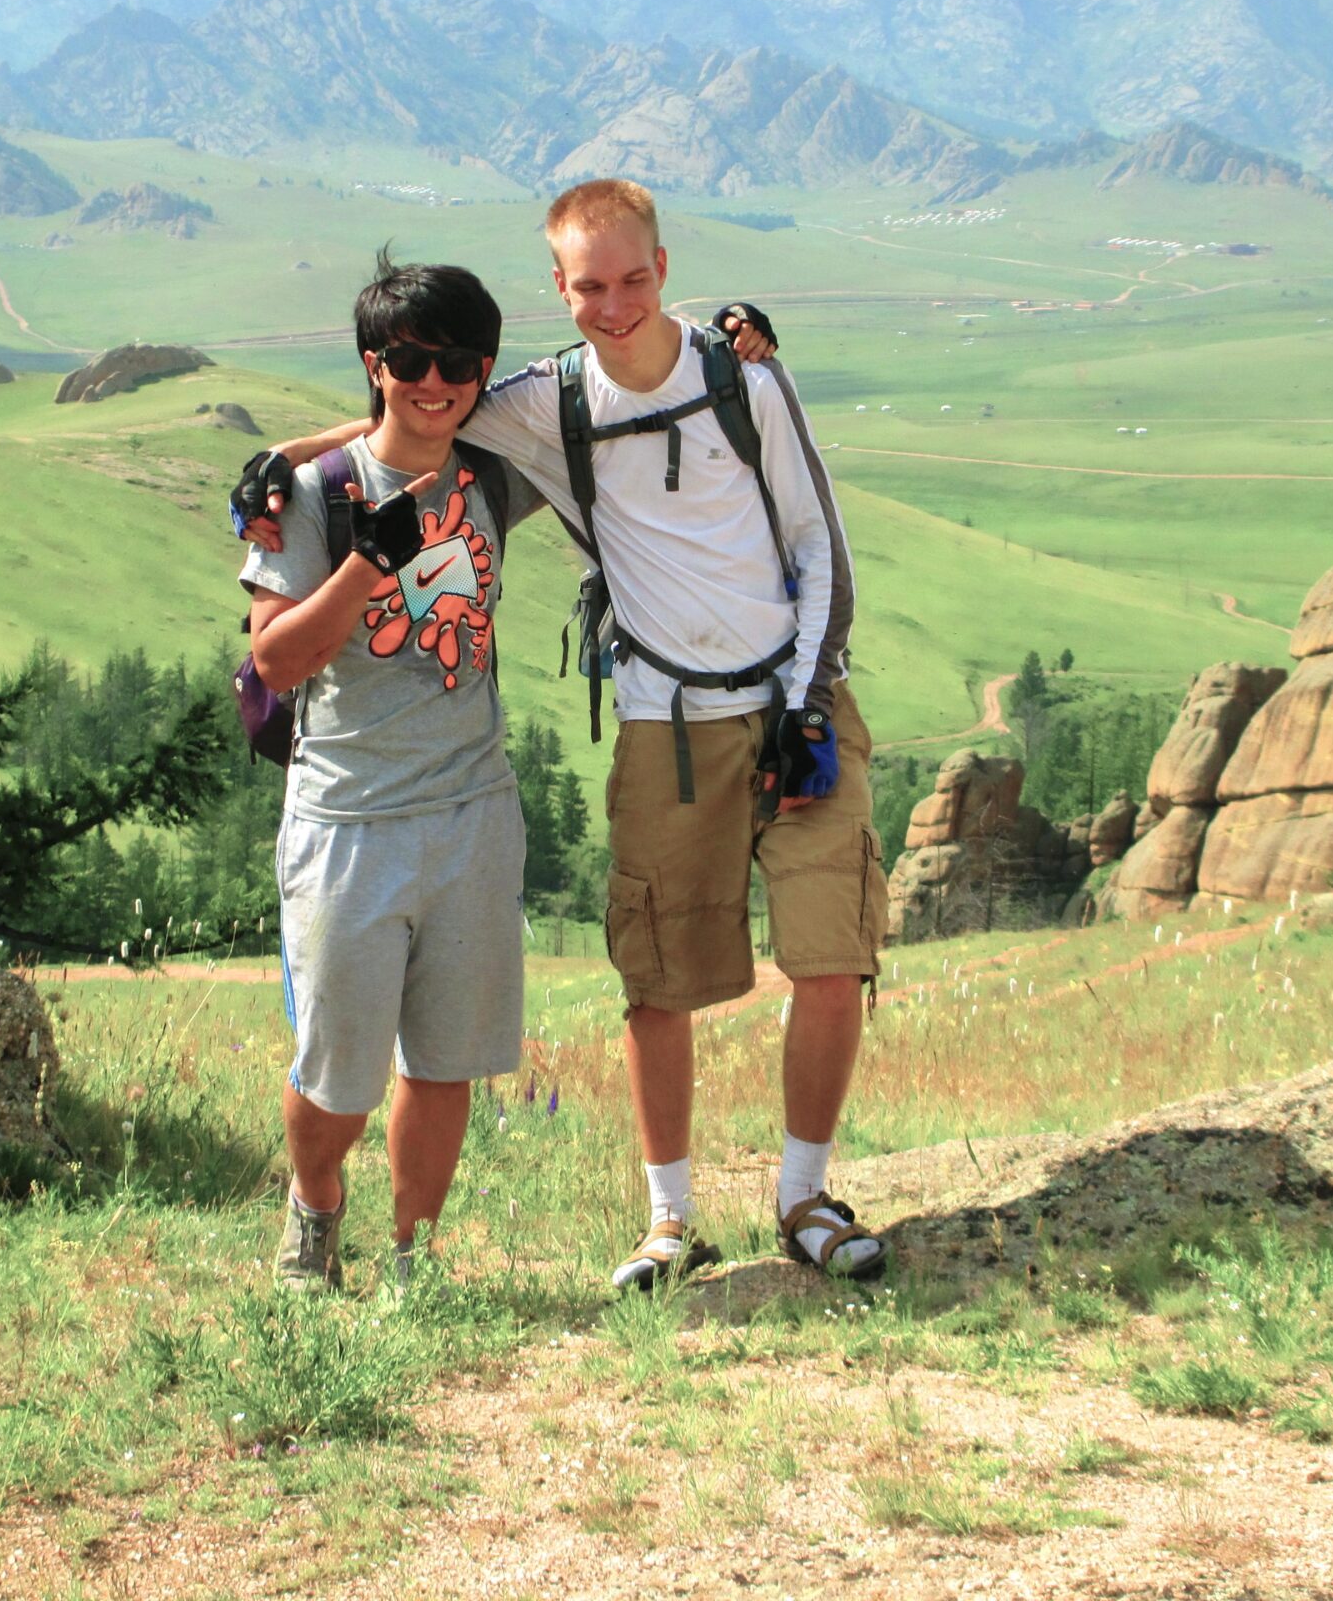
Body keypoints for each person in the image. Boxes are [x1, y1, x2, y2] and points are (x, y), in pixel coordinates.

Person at [237, 181, 883, 1290]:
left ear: (665, 267)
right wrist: (291, 468)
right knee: (619, 994)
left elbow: (816, 542)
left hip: (686, 736)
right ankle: (633, 1218)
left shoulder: (699, 392)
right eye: (589, 285)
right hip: (526, 758)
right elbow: (401, 446)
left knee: (819, 965)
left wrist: (808, 699)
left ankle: (789, 1199)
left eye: (633, 278)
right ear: (559, 288)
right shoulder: (453, 441)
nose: (614, 303)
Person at [238, 252, 545, 1292]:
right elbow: (273, 659)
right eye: (411, 357)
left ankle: (411, 1259)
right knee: (339, 1075)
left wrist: (739, 345)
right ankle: (314, 1209)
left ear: (483, 365)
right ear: (375, 362)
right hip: (348, 817)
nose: (434, 379)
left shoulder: (495, 476)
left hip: (470, 812)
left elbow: (611, 391)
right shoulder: (316, 498)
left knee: (447, 1063)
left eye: (457, 359)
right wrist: (368, 558)